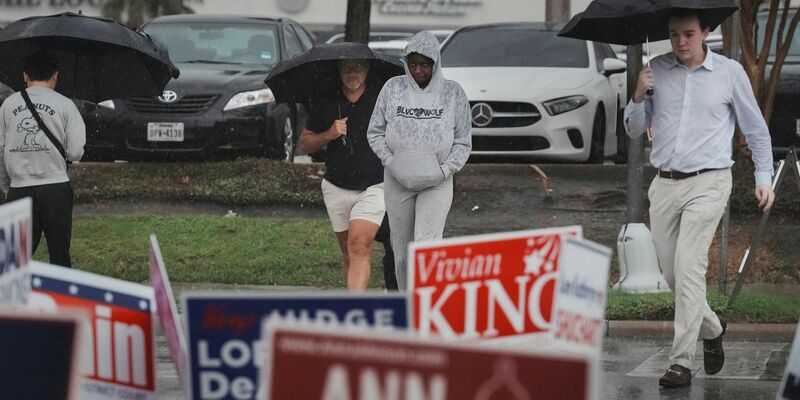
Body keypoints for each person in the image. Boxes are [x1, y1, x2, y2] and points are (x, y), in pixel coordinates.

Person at [624, 9, 775, 388]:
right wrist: (638, 95)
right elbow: (634, 131)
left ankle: (681, 363)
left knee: (690, 268)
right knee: (674, 276)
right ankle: (712, 327)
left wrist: (763, 177)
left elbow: (756, 129)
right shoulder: (655, 71)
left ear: (706, 32)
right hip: (664, 185)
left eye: (689, 34)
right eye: (674, 35)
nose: (681, 42)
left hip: (709, 183)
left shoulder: (729, 73)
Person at [367, 31, 472, 290]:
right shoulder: (393, 88)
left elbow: (463, 140)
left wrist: (445, 170)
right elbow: (375, 131)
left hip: (437, 182)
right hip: (397, 180)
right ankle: (406, 304)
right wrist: (391, 162)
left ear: (435, 63)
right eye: (412, 64)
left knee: (426, 246)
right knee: (401, 251)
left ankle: (427, 303)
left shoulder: (453, 93)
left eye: (424, 64)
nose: (418, 70)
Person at [298, 58, 394, 292]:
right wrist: (329, 134)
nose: (353, 73)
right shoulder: (327, 102)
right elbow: (304, 143)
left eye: (358, 67)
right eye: (347, 68)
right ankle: (352, 301)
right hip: (336, 186)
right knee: (348, 253)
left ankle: (355, 309)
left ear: (368, 69)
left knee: (359, 244)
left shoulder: (381, 99)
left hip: (375, 185)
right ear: (339, 71)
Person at [0, 50, 86, 267]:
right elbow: (76, 152)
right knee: (59, 255)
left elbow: (0, 150)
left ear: (25, 76)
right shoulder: (66, 105)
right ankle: (61, 297)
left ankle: (10, 299)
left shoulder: (8, 105)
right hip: (55, 188)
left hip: (19, 189)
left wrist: (7, 185)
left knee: (14, 259)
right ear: (55, 76)